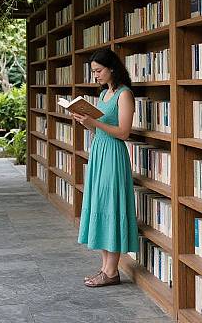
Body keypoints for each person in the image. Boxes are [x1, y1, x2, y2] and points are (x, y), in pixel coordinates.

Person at [72, 48, 138, 287]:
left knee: (111, 205)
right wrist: (86, 123)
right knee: (99, 204)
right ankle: (104, 268)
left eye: (98, 71)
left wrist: (94, 122)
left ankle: (112, 272)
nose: (96, 76)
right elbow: (100, 129)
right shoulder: (103, 95)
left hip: (113, 155)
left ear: (112, 68)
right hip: (99, 152)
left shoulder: (124, 95)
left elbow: (123, 132)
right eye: (93, 72)